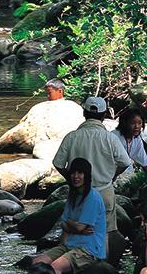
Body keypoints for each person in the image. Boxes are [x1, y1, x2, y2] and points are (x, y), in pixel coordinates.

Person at [52, 96, 130, 234]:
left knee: (77, 233)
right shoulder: (110, 138)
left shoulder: (72, 136)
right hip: (104, 191)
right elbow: (125, 162)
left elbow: (58, 164)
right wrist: (113, 176)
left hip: (79, 193)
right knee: (105, 234)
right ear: (104, 115)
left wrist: (71, 179)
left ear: (84, 113)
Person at [32, 158, 106, 274]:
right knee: (37, 263)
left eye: (80, 173)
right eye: (73, 173)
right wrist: (75, 227)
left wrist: (73, 226)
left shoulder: (92, 197)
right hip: (70, 245)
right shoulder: (73, 195)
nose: (76, 176)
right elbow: (66, 224)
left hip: (88, 249)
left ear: (86, 176)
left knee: (55, 268)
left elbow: (78, 226)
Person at [112, 109, 147, 196]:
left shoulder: (136, 139)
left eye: (139, 123)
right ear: (124, 123)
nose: (137, 126)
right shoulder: (113, 137)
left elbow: (146, 164)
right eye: (133, 123)